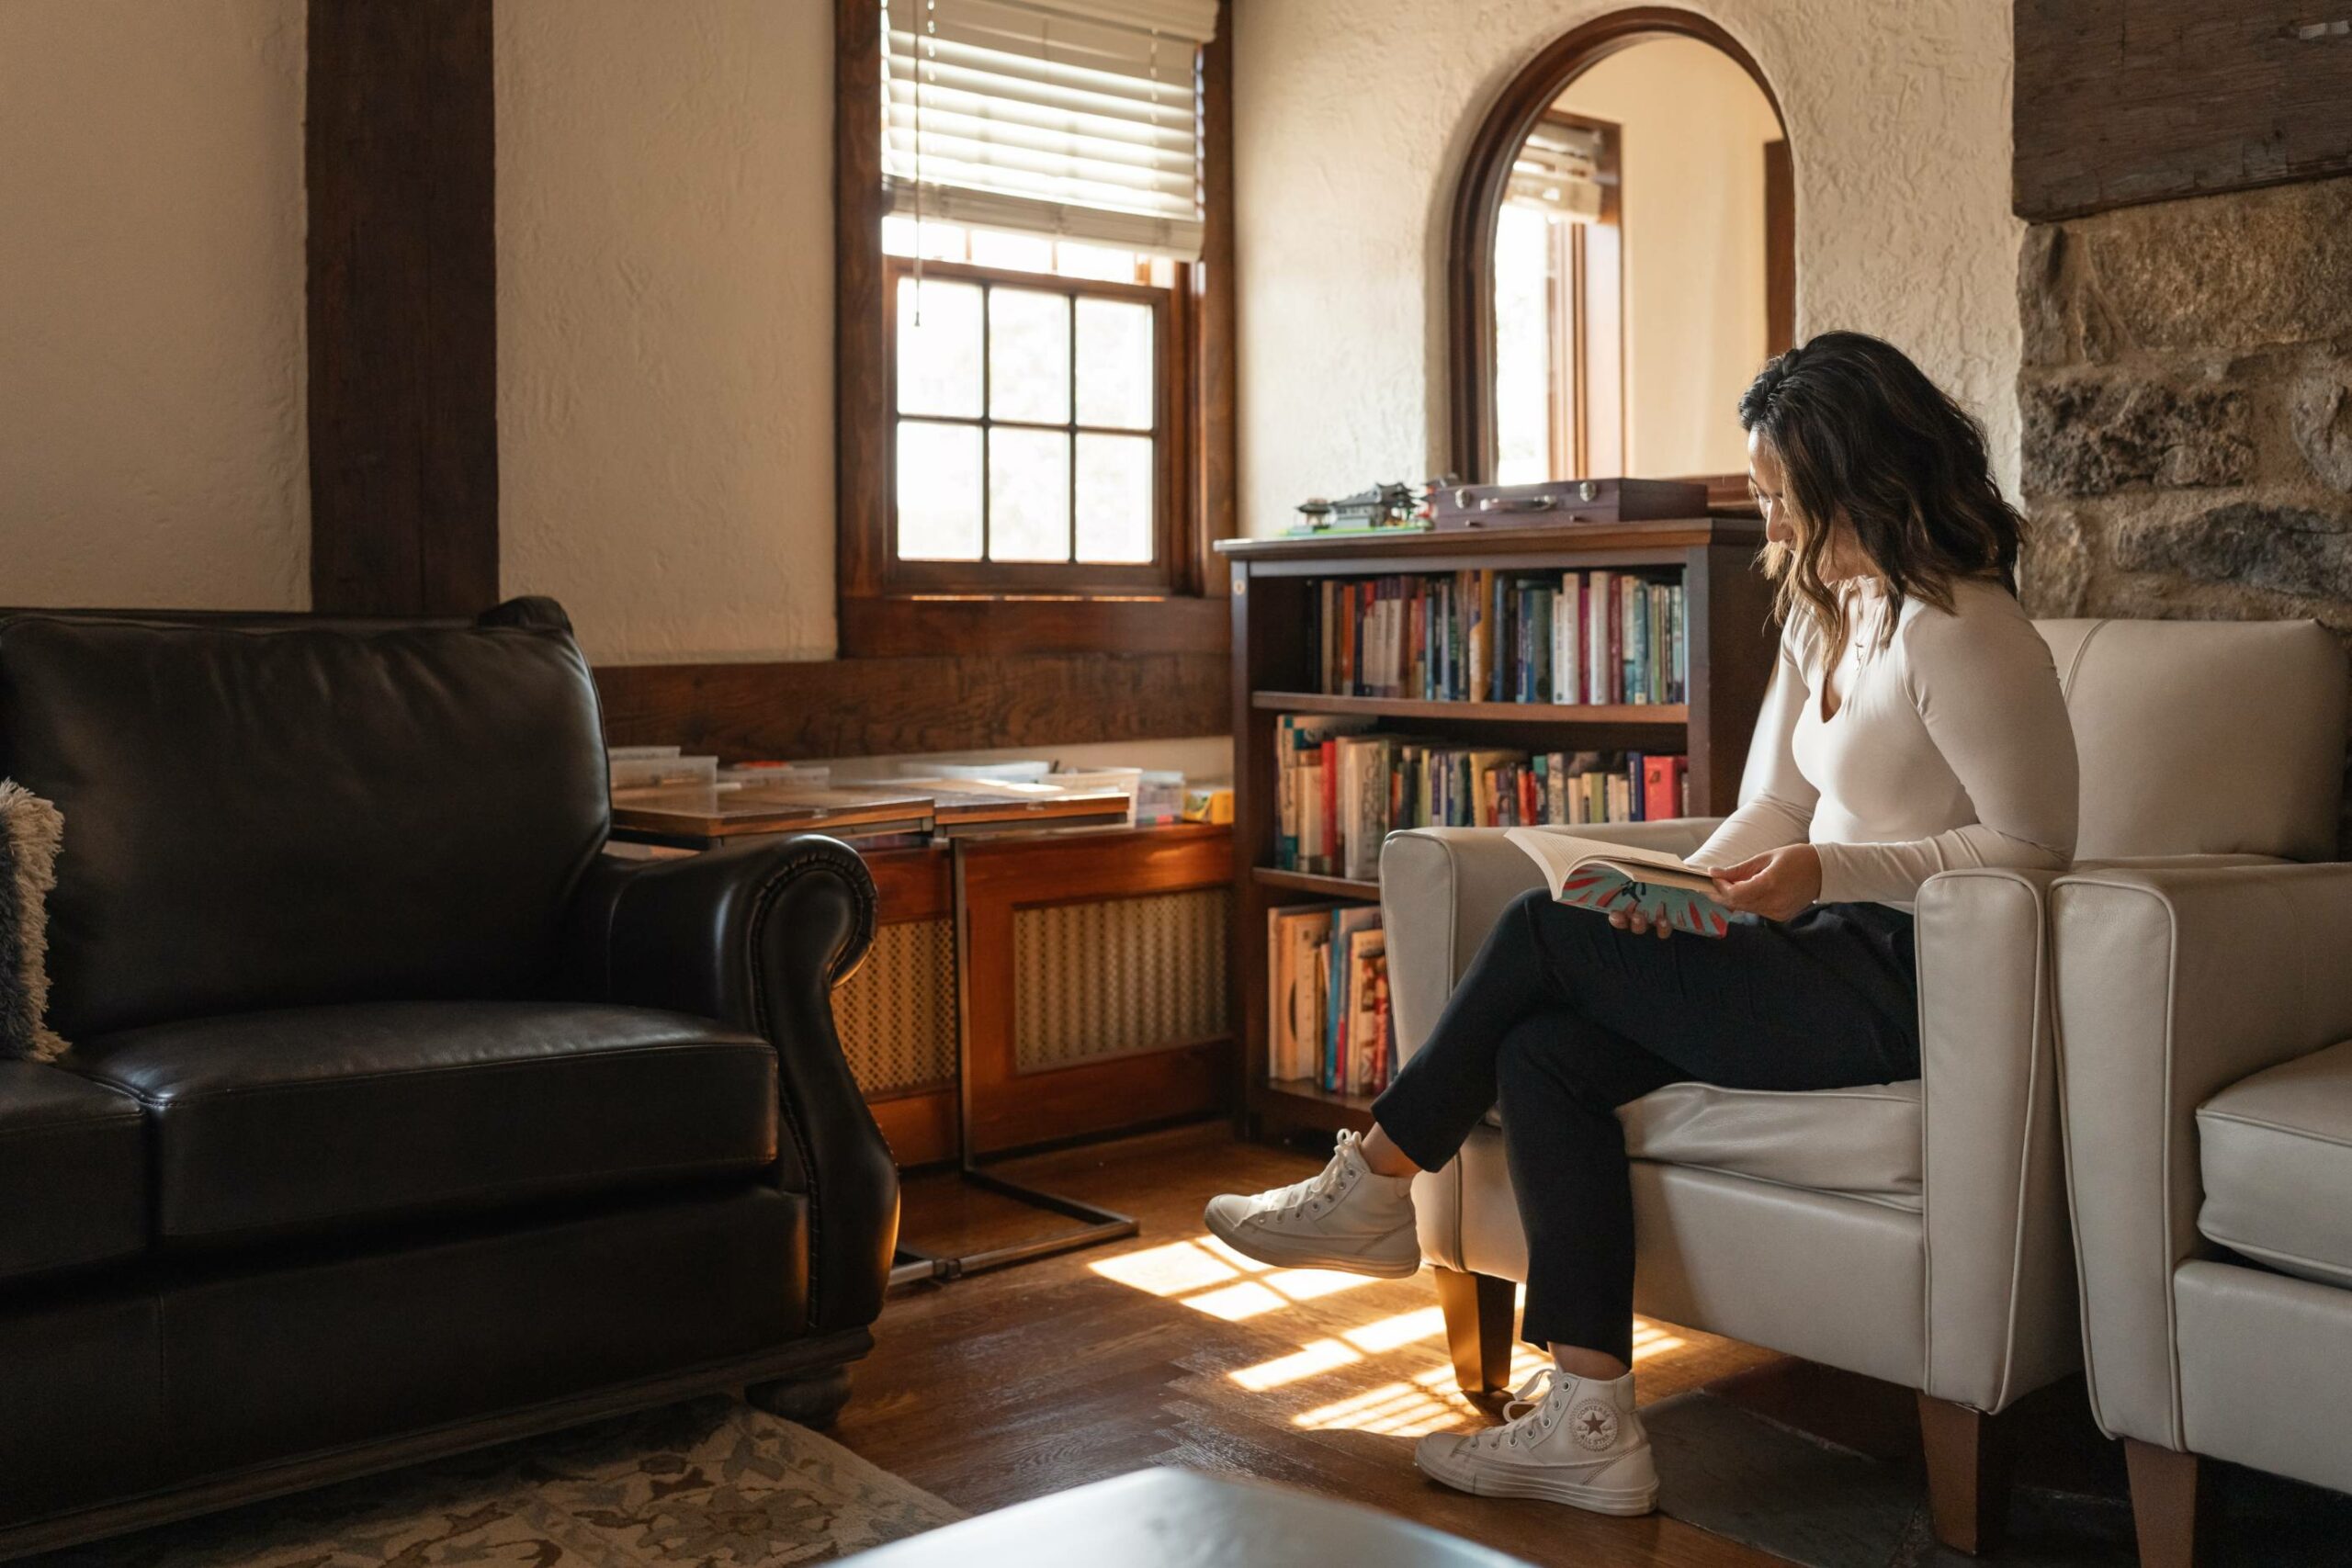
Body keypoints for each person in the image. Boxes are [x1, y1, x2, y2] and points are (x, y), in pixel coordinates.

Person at [1204, 332, 2078, 1517]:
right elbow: (1774, 801)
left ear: (1850, 475)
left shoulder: (1966, 629)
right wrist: (1675, 895)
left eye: (1778, 497)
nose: (1768, 526)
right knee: (1543, 1050)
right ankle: (1592, 1421)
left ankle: (1376, 1180)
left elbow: (2035, 850)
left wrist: (1825, 871)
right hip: (1806, 952)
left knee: (1535, 934)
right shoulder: (1829, 614)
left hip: (1903, 980)